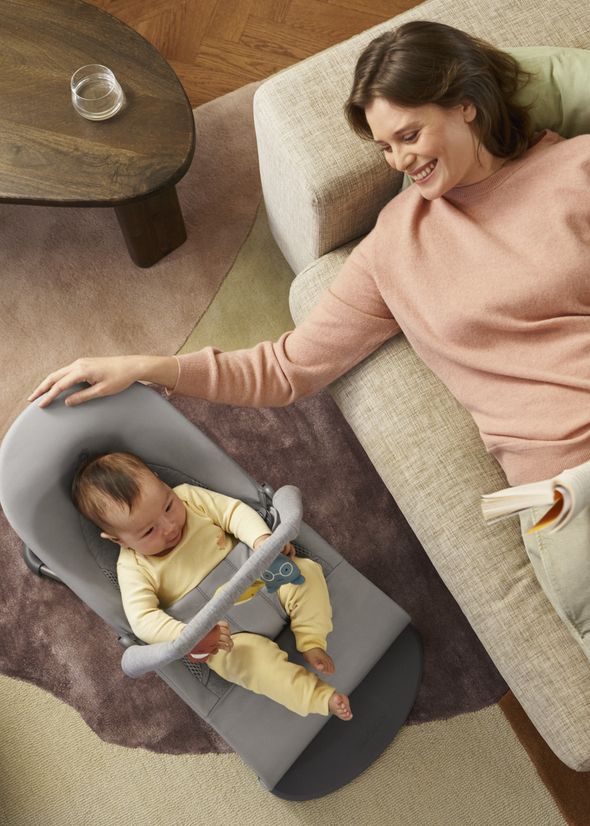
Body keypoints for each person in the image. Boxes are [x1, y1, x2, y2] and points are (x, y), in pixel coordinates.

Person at [28, 20, 590, 659]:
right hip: (565, 483)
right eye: (385, 147)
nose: (402, 161)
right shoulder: (395, 247)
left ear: (467, 105)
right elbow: (287, 367)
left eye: (410, 134)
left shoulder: (576, 169)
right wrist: (148, 365)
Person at [71, 450, 353, 720]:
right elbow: (143, 620)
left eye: (168, 506)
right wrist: (190, 635)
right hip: (223, 637)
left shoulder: (189, 498)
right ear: (118, 539)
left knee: (306, 574)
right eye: (148, 531)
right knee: (251, 666)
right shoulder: (132, 567)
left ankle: (312, 639)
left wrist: (261, 541)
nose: (169, 527)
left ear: (162, 483)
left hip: (263, 580)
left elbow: (233, 513)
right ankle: (318, 698)